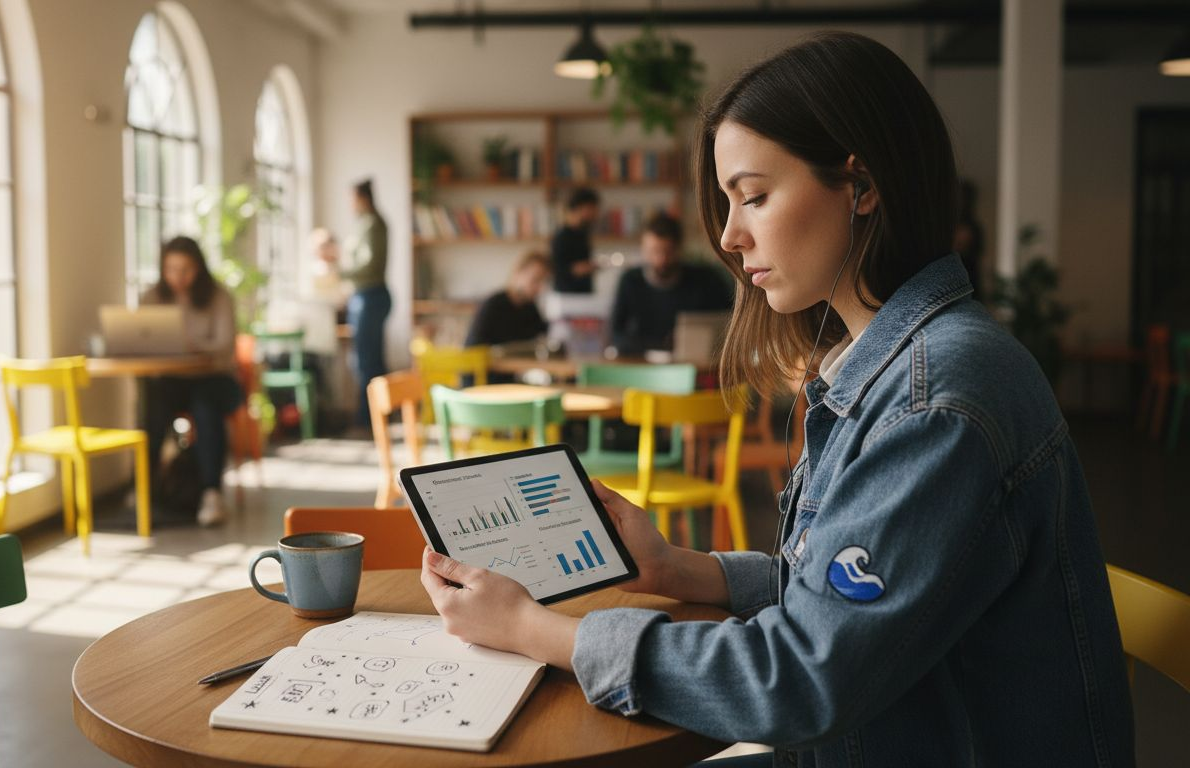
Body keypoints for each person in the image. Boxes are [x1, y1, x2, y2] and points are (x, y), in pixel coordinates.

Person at [418, 31, 1133, 767]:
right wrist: (678, 569)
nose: (728, 236)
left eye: (754, 196)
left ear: (861, 186)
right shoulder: (901, 365)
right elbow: (839, 599)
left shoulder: (938, 400)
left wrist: (533, 629)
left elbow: (800, 679)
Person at [141, 236, 244, 526]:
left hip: (217, 379)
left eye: (185, 269)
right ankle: (146, 488)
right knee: (154, 399)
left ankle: (211, 492)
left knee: (205, 404)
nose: (178, 277)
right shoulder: (152, 297)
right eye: (171, 269)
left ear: (198, 268)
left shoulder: (219, 297)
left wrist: (189, 344)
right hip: (173, 380)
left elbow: (224, 346)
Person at [608, 211, 734, 355]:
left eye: (667, 251)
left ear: (679, 249)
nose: (661, 259)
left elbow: (727, 323)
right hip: (641, 363)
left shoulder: (706, 280)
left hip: (695, 362)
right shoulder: (630, 281)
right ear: (643, 250)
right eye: (654, 251)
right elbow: (615, 335)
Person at [343, 178, 391, 427]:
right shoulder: (364, 224)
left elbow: (368, 264)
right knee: (368, 358)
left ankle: (369, 417)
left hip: (370, 296)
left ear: (362, 197)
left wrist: (339, 272)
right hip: (363, 296)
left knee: (367, 361)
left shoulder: (372, 224)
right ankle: (375, 415)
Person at [464, 251, 551, 347]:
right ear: (518, 273)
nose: (540, 288)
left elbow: (544, 336)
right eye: (536, 280)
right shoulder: (493, 305)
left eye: (544, 282)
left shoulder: (531, 308)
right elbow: (472, 347)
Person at [550, 187, 600, 294]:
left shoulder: (583, 234)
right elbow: (558, 269)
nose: (595, 213)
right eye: (592, 208)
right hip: (567, 296)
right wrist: (586, 267)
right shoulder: (561, 237)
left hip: (584, 294)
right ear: (581, 207)